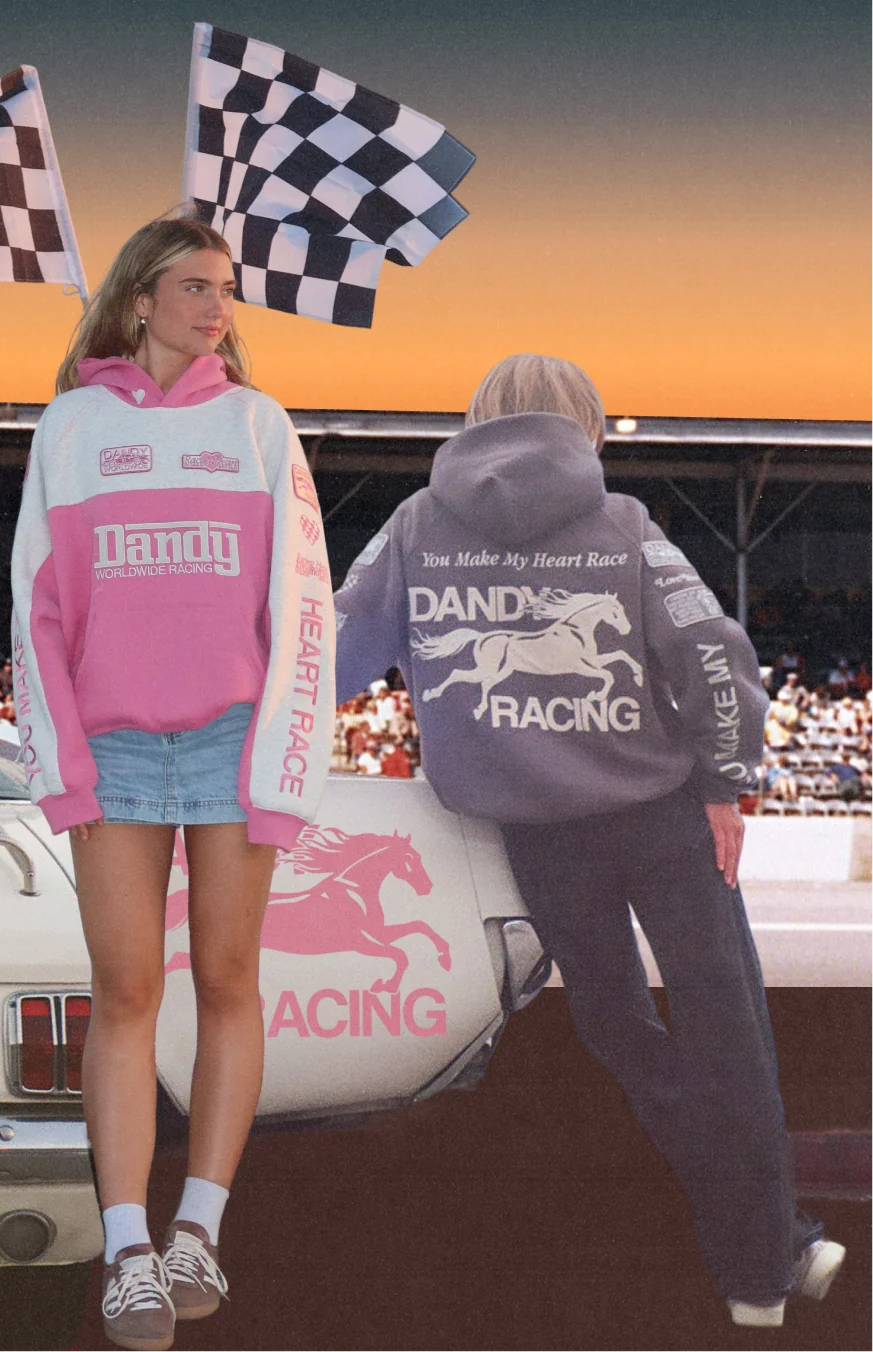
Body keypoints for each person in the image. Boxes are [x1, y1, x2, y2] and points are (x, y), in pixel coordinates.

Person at [335, 354, 843, 1325]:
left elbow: (330, 650)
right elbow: (712, 652)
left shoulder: (411, 529)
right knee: (728, 1035)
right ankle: (761, 1265)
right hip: (662, 820)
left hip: (539, 836)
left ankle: (770, 1244)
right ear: (584, 425)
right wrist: (725, 779)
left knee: (616, 1031)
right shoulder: (621, 524)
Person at [8, 213, 333, 1350]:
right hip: (111, 749)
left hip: (231, 742)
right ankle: (125, 1250)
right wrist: (61, 760)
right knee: (127, 991)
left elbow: (301, 602)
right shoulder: (70, 425)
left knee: (229, 980)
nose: (216, 308)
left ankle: (197, 1230)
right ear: (137, 299)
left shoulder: (258, 425)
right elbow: (38, 604)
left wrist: (284, 756)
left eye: (224, 289)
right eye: (193, 286)